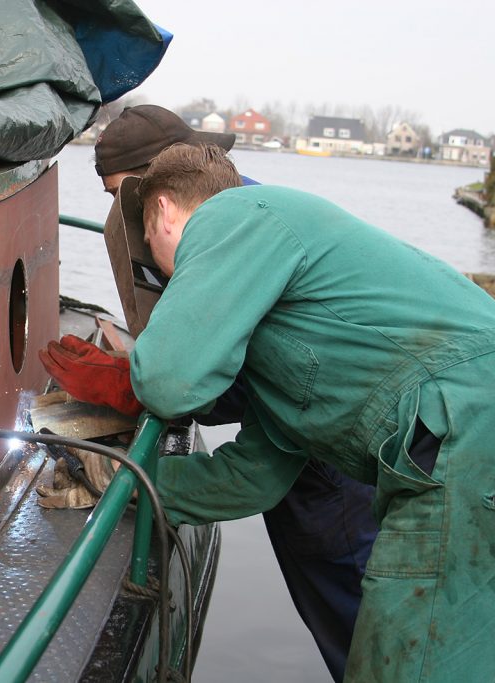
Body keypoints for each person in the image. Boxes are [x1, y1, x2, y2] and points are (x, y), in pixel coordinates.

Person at [123, 143, 495, 681]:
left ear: (161, 211)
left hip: (473, 456)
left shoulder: (233, 214)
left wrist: (134, 364)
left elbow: (167, 381)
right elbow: (252, 481)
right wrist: (131, 481)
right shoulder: (303, 320)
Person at [48, 105, 379, 681]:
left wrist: (128, 402)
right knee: (341, 624)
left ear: (163, 192)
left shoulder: (230, 234)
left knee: (364, 628)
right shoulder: (249, 211)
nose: (121, 215)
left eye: (123, 193)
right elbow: (241, 374)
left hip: (335, 458)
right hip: (311, 432)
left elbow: (218, 402)